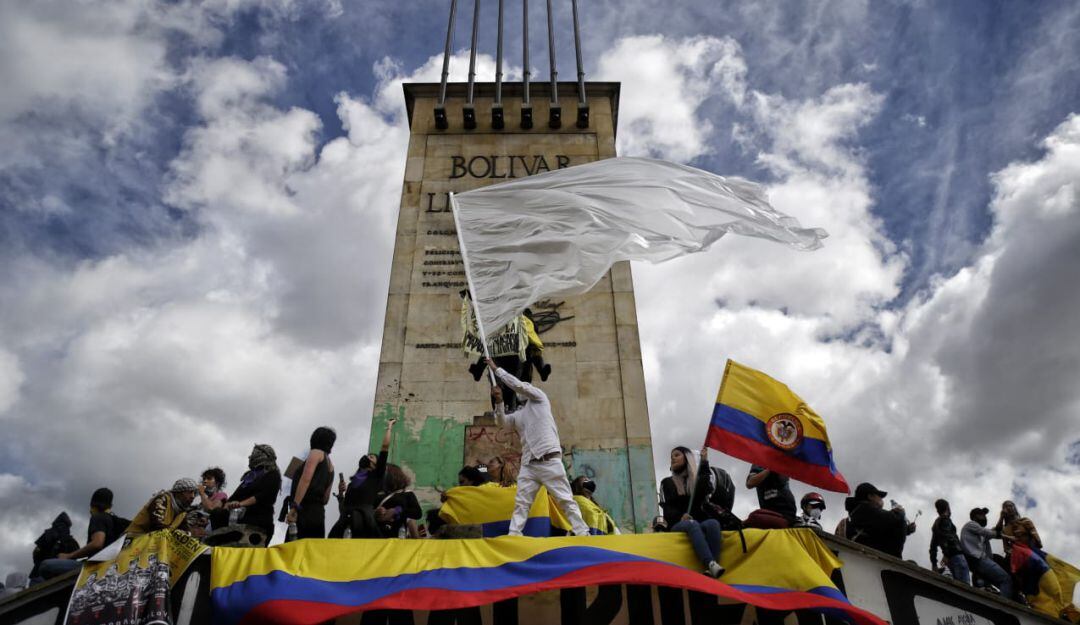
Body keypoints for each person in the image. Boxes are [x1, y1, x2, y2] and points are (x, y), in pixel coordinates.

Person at [487, 357, 590, 537]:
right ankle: (514, 534)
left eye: (524, 387)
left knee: (565, 499)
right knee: (522, 503)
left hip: (549, 459)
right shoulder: (519, 415)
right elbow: (502, 423)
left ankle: (582, 532)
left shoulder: (540, 399)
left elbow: (519, 385)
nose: (522, 389)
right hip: (529, 464)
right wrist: (499, 402)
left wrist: (497, 370)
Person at [658, 446, 724, 577]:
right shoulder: (667, 482)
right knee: (692, 524)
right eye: (671, 456)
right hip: (678, 524)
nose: (673, 458)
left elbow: (705, 488)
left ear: (687, 458)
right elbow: (667, 508)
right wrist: (680, 516)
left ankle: (712, 568)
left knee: (713, 524)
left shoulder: (695, 482)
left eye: (676, 455)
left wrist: (704, 462)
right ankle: (710, 563)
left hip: (698, 523)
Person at [330, 418, 396, 539]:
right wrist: (340, 493)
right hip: (346, 521)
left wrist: (389, 427)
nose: (367, 457)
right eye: (367, 456)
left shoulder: (376, 475)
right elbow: (343, 509)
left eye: (371, 457)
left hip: (364, 520)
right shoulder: (353, 482)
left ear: (376, 464)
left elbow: (385, 446)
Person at [216, 444, 282, 543]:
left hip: (257, 520)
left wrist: (240, 504)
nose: (250, 457)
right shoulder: (249, 477)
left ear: (262, 455)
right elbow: (234, 497)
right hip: (236, 517)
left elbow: (263, 496)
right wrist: (226, 506)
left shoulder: (273, 474)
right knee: (217, 515)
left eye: (253, 454)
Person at [288, 426, 337, 539]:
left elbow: (305, 480)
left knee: (295, 549)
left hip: (304, 510)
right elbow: (325, 499)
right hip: (319, 515)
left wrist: (295, 507)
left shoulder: (316, 453)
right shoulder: (331, 467)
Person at [847, 482, 915, 558]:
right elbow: (894, 519)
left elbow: (883, 527)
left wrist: (907, 529)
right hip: (874, 559)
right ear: (870, 496)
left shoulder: (859, 511)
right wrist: (900, 512)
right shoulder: (865, 509)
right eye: (879, 496)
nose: (881, 499)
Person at [961, 507, 1012, 599]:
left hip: (977, 563)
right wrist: (1010, 537)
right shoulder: (971, 524)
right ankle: (1003, 607)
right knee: (1006, 580)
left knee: (1003, 584)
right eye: (983, 515)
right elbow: (990, 533)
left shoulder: (979, 534)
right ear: (976, 516)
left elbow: (995, 531)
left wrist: (1001, 517)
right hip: (979, 559)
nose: (985, 517)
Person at [126, 479, 198, 537]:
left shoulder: (182, 512)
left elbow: (185, 531)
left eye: (194, 493)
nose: (193, 496)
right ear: (178, 492)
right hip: (135, 538)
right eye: (190, 492)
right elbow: (156, 526)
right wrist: (178, 534)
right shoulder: (162, 499)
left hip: (155, 543)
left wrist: (189, 534)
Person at [374, 464, 423, 538]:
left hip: (398, 534)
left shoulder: (407, 493)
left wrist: (396, 510)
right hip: (378, 534)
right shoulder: (377, 494)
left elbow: (417, 513)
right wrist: (376, 512)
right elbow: (367, 512)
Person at [930, 499, 970, 584]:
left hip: (950, 558)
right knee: (965, 586)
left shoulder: (936, 524)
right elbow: (948, 537)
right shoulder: (945, 520)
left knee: (958, 585)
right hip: (956, 555)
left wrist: (934, 564)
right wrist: (946, 554)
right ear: (948, 508)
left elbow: (933, 546)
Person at [30, 513, 79, 580]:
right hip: (62, 577)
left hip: (39, 573)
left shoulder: (47, 534)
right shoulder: (72, 541)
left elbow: (36, 552)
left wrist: (38, 563)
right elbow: (75, 557)